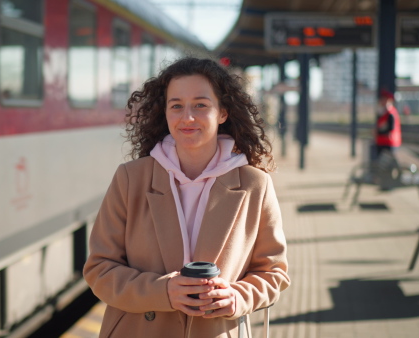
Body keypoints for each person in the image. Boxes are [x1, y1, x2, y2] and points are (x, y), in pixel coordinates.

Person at [83, 57, 290, 338]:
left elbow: (274, 272)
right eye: (176, 105)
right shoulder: (131, 178)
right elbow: (99, 268)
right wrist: (163, 292)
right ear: (164, 112)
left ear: (223, 112)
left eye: (201, 105)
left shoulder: (255, 185)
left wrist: (238, 297)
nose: (187, 117)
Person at [374, 89, 402, 158]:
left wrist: (379, 131)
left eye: (385, 99)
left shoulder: (390, 113)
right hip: (381, 142)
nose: (382, 102)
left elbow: (390, 129)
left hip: (389, 143)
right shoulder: (382, 113)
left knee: (386, 164)